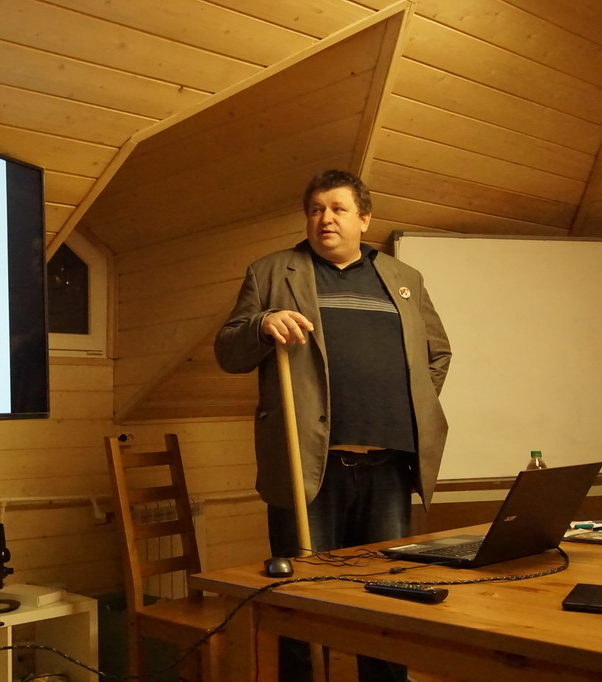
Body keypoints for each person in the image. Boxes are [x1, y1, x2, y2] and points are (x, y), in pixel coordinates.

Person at [214, 169, 451, 682]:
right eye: (316, 209)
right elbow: (229, 351)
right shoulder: (271, 272)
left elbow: (437, 353)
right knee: (301, 595)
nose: (326, 219)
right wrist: (261, 324)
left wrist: (408, 404)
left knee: (386, 598)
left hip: (388, 466)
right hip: (307, 466)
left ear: (364, 219)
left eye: (339, 209)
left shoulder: (404, 279)